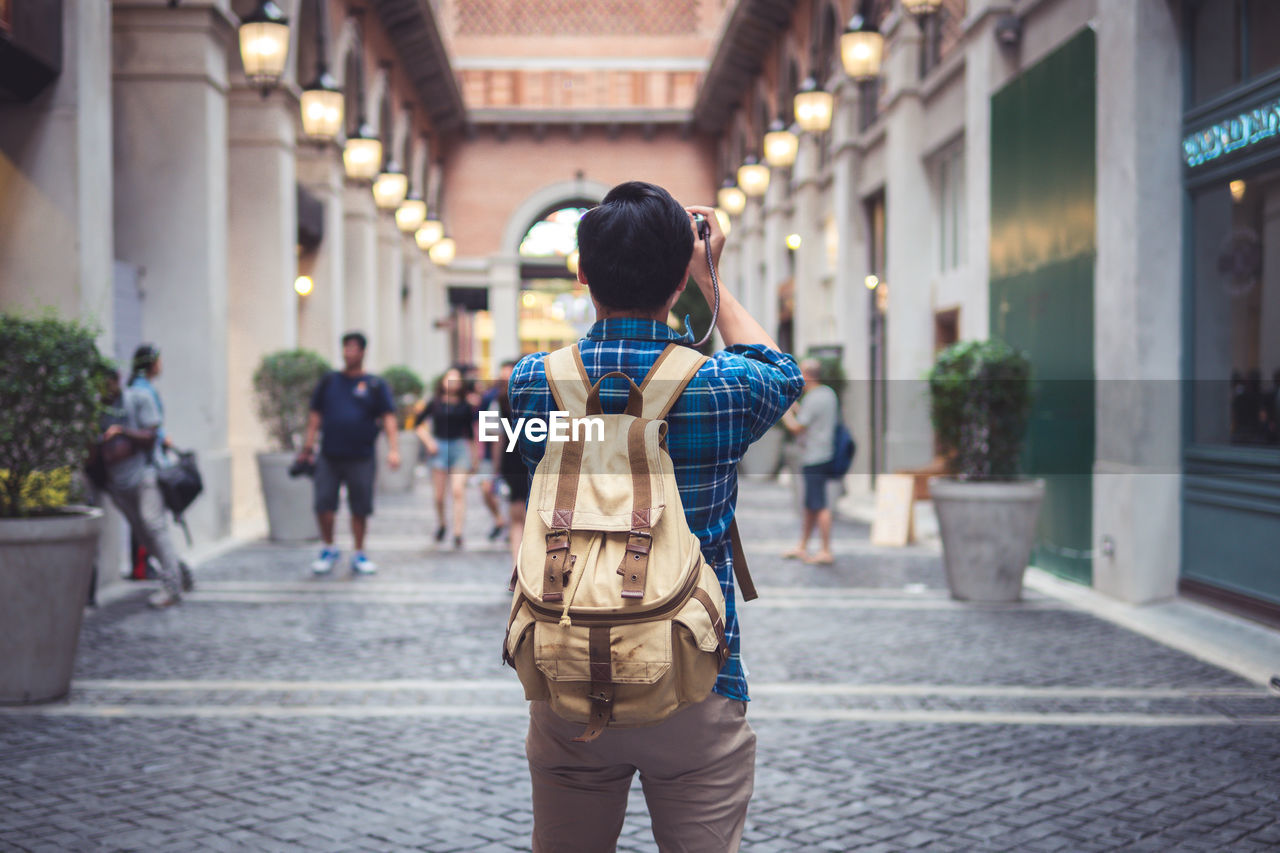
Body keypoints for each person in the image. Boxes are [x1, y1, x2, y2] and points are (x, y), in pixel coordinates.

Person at [509, 180, 803, 852]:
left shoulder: (532, 382)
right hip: (694, 673)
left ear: (582, 276)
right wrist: (709, 276)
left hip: (566, 665)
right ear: (677, 276)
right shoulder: (720, 387)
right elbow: (780, 369)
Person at [298, 331, 399, 576]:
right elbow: (315, 415)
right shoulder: (329, 381)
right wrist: (308, 446)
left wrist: (394, 449)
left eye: (354, 349)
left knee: (360, 506)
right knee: (323, 503)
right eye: (346, 348)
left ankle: (359, 552)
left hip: (362, 455)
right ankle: (328, 547)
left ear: (363, 352)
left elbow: (388, 417)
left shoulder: (375, 385)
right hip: (330, 454)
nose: (349, 353)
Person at [99, 348, 189, 608]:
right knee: (144, 533)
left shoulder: (138, 397)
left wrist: (121, 432)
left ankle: (173, 587)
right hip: (118, 484)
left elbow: (152, 435)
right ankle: (179, 572)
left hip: (146, 475)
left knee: (153, 526)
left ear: (117, 379)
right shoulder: (98, 408)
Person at [415, 366, 480, 549]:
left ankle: (458, 532)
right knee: (439, 496)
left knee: (458, 491)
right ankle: (442, 523)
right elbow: (418, 424)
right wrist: (429, 442)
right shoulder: (435, 402)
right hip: (439, 448)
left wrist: (475, 457)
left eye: (456, 379)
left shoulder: (466, 404)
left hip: (460, 447)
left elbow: (472, 432)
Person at [781, 358, 839, 565]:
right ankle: (802, 546)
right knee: (810, 504)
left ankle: (825, 550)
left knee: (819, 504)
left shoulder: (814, 398)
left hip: (814, 456)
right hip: (825, 454)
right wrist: (796, 407)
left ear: (806, 376)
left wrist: (785, 411)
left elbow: (797, 427)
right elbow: (813, 418)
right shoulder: (828, 394)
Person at [491, 359, 529, 565]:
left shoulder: (497, 401)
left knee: (517, 518)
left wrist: (496, 468)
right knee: (524, 518)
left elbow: (494, 437)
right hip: (525, 461)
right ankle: (521, 567)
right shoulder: (540, 396)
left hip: (512, 459)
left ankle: (517, 567)